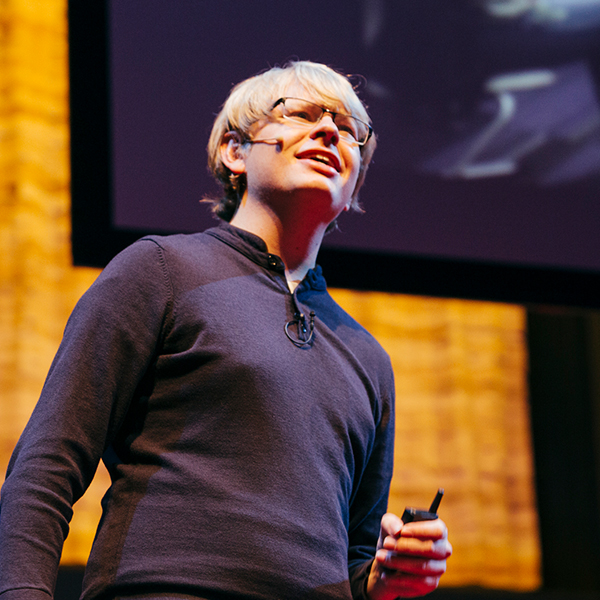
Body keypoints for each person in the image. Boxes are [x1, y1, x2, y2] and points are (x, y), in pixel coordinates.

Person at [0, 61, 451, 600]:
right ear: (236, 153)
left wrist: (386, 575)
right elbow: (47, 467)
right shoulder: (161, 270)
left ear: (354, 180)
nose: (331, 130)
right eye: (301, 114)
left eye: (350, 131)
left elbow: (355, 558)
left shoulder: (369, 360)